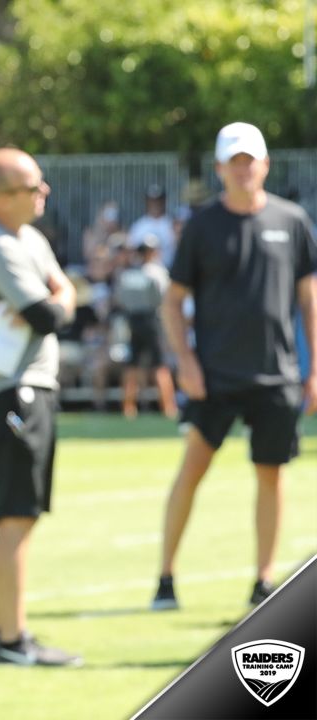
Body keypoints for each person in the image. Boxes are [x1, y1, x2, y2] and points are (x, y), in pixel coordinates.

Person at [151, 122, 316, 611]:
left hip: (277, 375)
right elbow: (172, 302)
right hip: (215, 376)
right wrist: (186, 362)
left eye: (251, 160)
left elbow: (309, 299)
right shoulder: (202, 226)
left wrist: (314, 369)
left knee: (271, 474)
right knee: (193, 469)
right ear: (221, 168)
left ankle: (264, 581)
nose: (244, 169)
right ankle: (165, 577)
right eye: (234, 161)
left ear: (265, 164)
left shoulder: (291, 221)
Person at [0, 147, 82, 667]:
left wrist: (62, 295)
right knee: (16, 516)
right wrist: (64, 295)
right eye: (33, 187)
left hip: (27, 387)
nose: (43, 193)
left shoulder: (25, 237)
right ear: (3, 198)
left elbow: (59, 297)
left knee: (21, 515)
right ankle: (12, 640)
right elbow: (51, 312)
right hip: (10, 391)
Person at [112, 235, 176, 419]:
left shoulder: (129, 273)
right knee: (159, 365)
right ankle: (169, 407)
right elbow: (164, 299)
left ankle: (128, 408)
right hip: (151, 320)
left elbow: (120, 299)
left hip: (133, 321)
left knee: (132, 365)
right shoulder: (156, 272)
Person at [128, 185, 176, 268]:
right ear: (147, 201)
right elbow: (132, 250)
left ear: (164, 201)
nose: (155, 204)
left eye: (158, 200)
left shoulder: (172, 224)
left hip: (168, 269)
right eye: (152, 201)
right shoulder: (139, 226)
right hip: (143, 271)